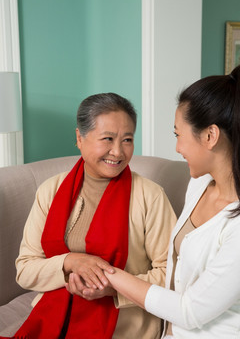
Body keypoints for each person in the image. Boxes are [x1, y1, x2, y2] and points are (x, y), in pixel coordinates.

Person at [3, 93, 176, 339]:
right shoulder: (50, 190)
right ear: (79, 138)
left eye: (127, 140)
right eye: (107, 139)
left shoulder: (151, 196)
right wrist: (69, 262)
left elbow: (173, 273)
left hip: (123, 324)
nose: (117, 152)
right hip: (54, 318)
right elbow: (25, 269)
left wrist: (112, 287)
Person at [103, 66, 240, 339]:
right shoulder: (199, 184)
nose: (177, 147)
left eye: (178, 134)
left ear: (210, 136)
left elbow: (190, 310)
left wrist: (108, 274)